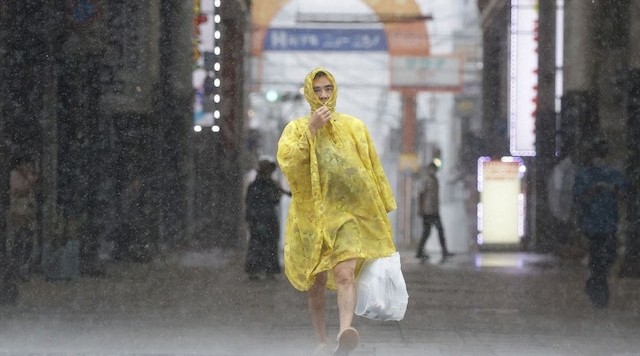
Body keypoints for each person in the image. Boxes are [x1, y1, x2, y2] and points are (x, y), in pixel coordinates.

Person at [277, 67, 398, 355]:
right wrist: (311, 131)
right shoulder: (295, 129)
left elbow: (371, 167)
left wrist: (381, 203)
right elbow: (289, 162)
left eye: (328, 89)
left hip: (348, 216)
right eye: (317, 90)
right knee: (316, 282)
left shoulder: (355, 127)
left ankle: (345, 331)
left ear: (335, 91)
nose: (322, 95)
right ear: (308, 92)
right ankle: (321, 339)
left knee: (345, 273)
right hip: (312, 217)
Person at [572, 137, 627, 307]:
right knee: (598, 257)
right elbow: (579, 197)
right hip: (593, 224)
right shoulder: (585, 174)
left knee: (608, 256)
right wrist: (593, 191)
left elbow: (623, 194)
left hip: (609, 222)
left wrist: (612, 190)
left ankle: (595, 283)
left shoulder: (614, 174)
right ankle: (599, 291)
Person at [244, 156, 290, 280]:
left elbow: (274, 200)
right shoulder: (257, 185)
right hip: (259, 219)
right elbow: (250, 202)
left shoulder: (270, 184)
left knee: (268, 244)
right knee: (257, 245)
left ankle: (267, 269)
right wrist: (251, 218)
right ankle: (256, 270)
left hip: (268, 219)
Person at [9, 156, 39, 280]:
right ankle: (17, 269)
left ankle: (24, 268)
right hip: (19, 211)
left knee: (28, 240)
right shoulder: (16, 174)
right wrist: (29, 179)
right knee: (19, 240)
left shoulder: (29, 173)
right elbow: (18, 189)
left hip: (29, 212)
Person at [416, 162, 452, 262]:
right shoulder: (426, 180)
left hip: (434, 210)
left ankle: (421, 251)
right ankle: (420, 251)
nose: (434, 171)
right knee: (430, 232)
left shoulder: (435, 180)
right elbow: (421, 194)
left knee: (433, 231)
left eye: (435, 169)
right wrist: (420, 208)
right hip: (427, 211)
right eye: (432, 169)